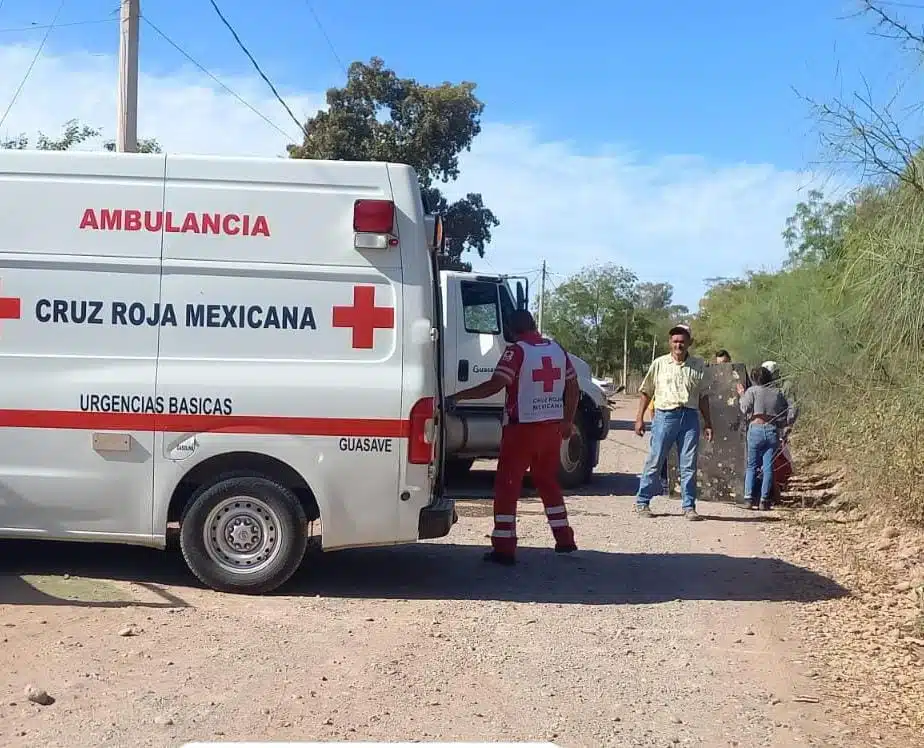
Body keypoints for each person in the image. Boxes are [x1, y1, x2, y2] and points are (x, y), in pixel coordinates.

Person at [445, 310, 579, 565]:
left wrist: (459, 396)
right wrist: (568, 420)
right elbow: (573, 387)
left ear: (510, 328)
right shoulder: (556, 350)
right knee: (547, 482)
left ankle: (504, 548)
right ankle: (564, 539)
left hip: (521, 429)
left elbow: (495, 385)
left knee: (507, 485)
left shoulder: (516, 351)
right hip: (551, 427)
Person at [633, 324, 714, 520]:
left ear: (689, 343)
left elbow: (703, 397)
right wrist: (639, 418)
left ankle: (689, 507)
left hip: (690, 418)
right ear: (670, 343)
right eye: (675, 341)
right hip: (664, 417)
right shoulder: (659, 364)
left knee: (689, 465)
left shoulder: (698, 365)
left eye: (682, 341)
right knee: (655, 460)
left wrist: (708, 423)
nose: (679, 345)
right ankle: (642, 502)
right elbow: (646, 392)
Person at [735, 365, 797, 510]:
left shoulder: (753, 391)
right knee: (768, 467)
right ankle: (764, 500)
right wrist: (786, 424)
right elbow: (787, 410)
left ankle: (749, 499)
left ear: (755, 379)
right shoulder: (777, 393)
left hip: (755, 428)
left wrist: (742, 395)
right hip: (772, 430)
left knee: (752, 466)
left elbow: (744, 408)